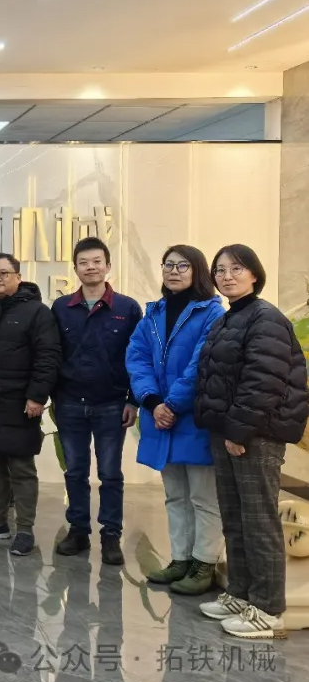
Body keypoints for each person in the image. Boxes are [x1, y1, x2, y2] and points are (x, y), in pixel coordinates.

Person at [195, 244, 309, 638]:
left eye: (236, 268)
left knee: (259, 521)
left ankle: (268, 609)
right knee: (235, 517)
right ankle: (241, 594)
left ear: (254, 274)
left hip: (254, 435)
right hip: (229, 432)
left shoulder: (266, 318)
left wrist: (239, 431)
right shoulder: (231, 318)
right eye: (220, 270)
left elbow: (263, 382)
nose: (226, 276)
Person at [125, 245, 224, 594]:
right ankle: (180, 560)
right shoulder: (153, 313)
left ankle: (204, 564)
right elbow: (136, 358)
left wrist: (172, 404)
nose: (174, 271)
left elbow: (202, 363)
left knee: (203, 497)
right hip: (160, 417)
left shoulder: (212, 312)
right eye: (168, 265)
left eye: (183, 265)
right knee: (175, 496)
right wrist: (152, 402)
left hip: (193, 417)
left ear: (198, 271)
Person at [50, 237, 143, 565]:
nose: (90, 267)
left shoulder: (127, 308)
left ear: (108, 266)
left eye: (96, 261)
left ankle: (111, 535)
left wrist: (133, 401)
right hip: (70, 403)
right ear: (75, 268)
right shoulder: (61, 308)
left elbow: (138, 357)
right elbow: (52, 354)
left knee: (110, 473)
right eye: (83, 262)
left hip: (111, 404)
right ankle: (78, 530)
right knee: (75, 471)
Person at [0, 253, 61, 557]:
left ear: (18, 277)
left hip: (18, 403)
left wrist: (37, 396)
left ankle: (25, 530)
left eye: (4, 273)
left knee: (21, 467)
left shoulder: (36, 312)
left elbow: (48, 356)